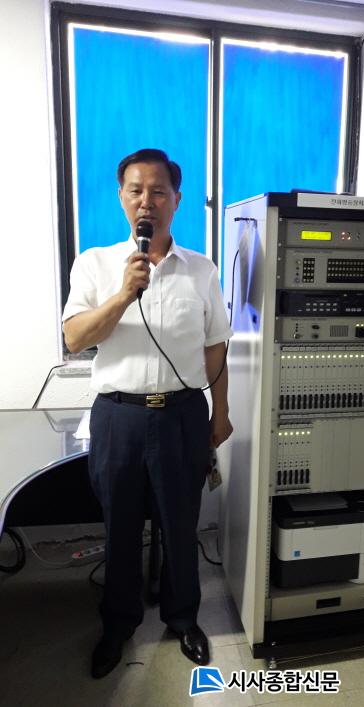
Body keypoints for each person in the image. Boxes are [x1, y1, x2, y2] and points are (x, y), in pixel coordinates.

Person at [62, 148, 233, 679]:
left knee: (182, 524)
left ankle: (184, 619)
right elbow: (74, 338)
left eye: (159, 191)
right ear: (122, 197)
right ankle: (118, 624)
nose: (147, 201)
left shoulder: (201, 270)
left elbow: (215, 347)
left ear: (176, 200)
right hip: (119, 417)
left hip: (183, 415)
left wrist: (221, 413)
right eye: (136, 190)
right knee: (119, 527)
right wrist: (122, 294)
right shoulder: (95, 263)